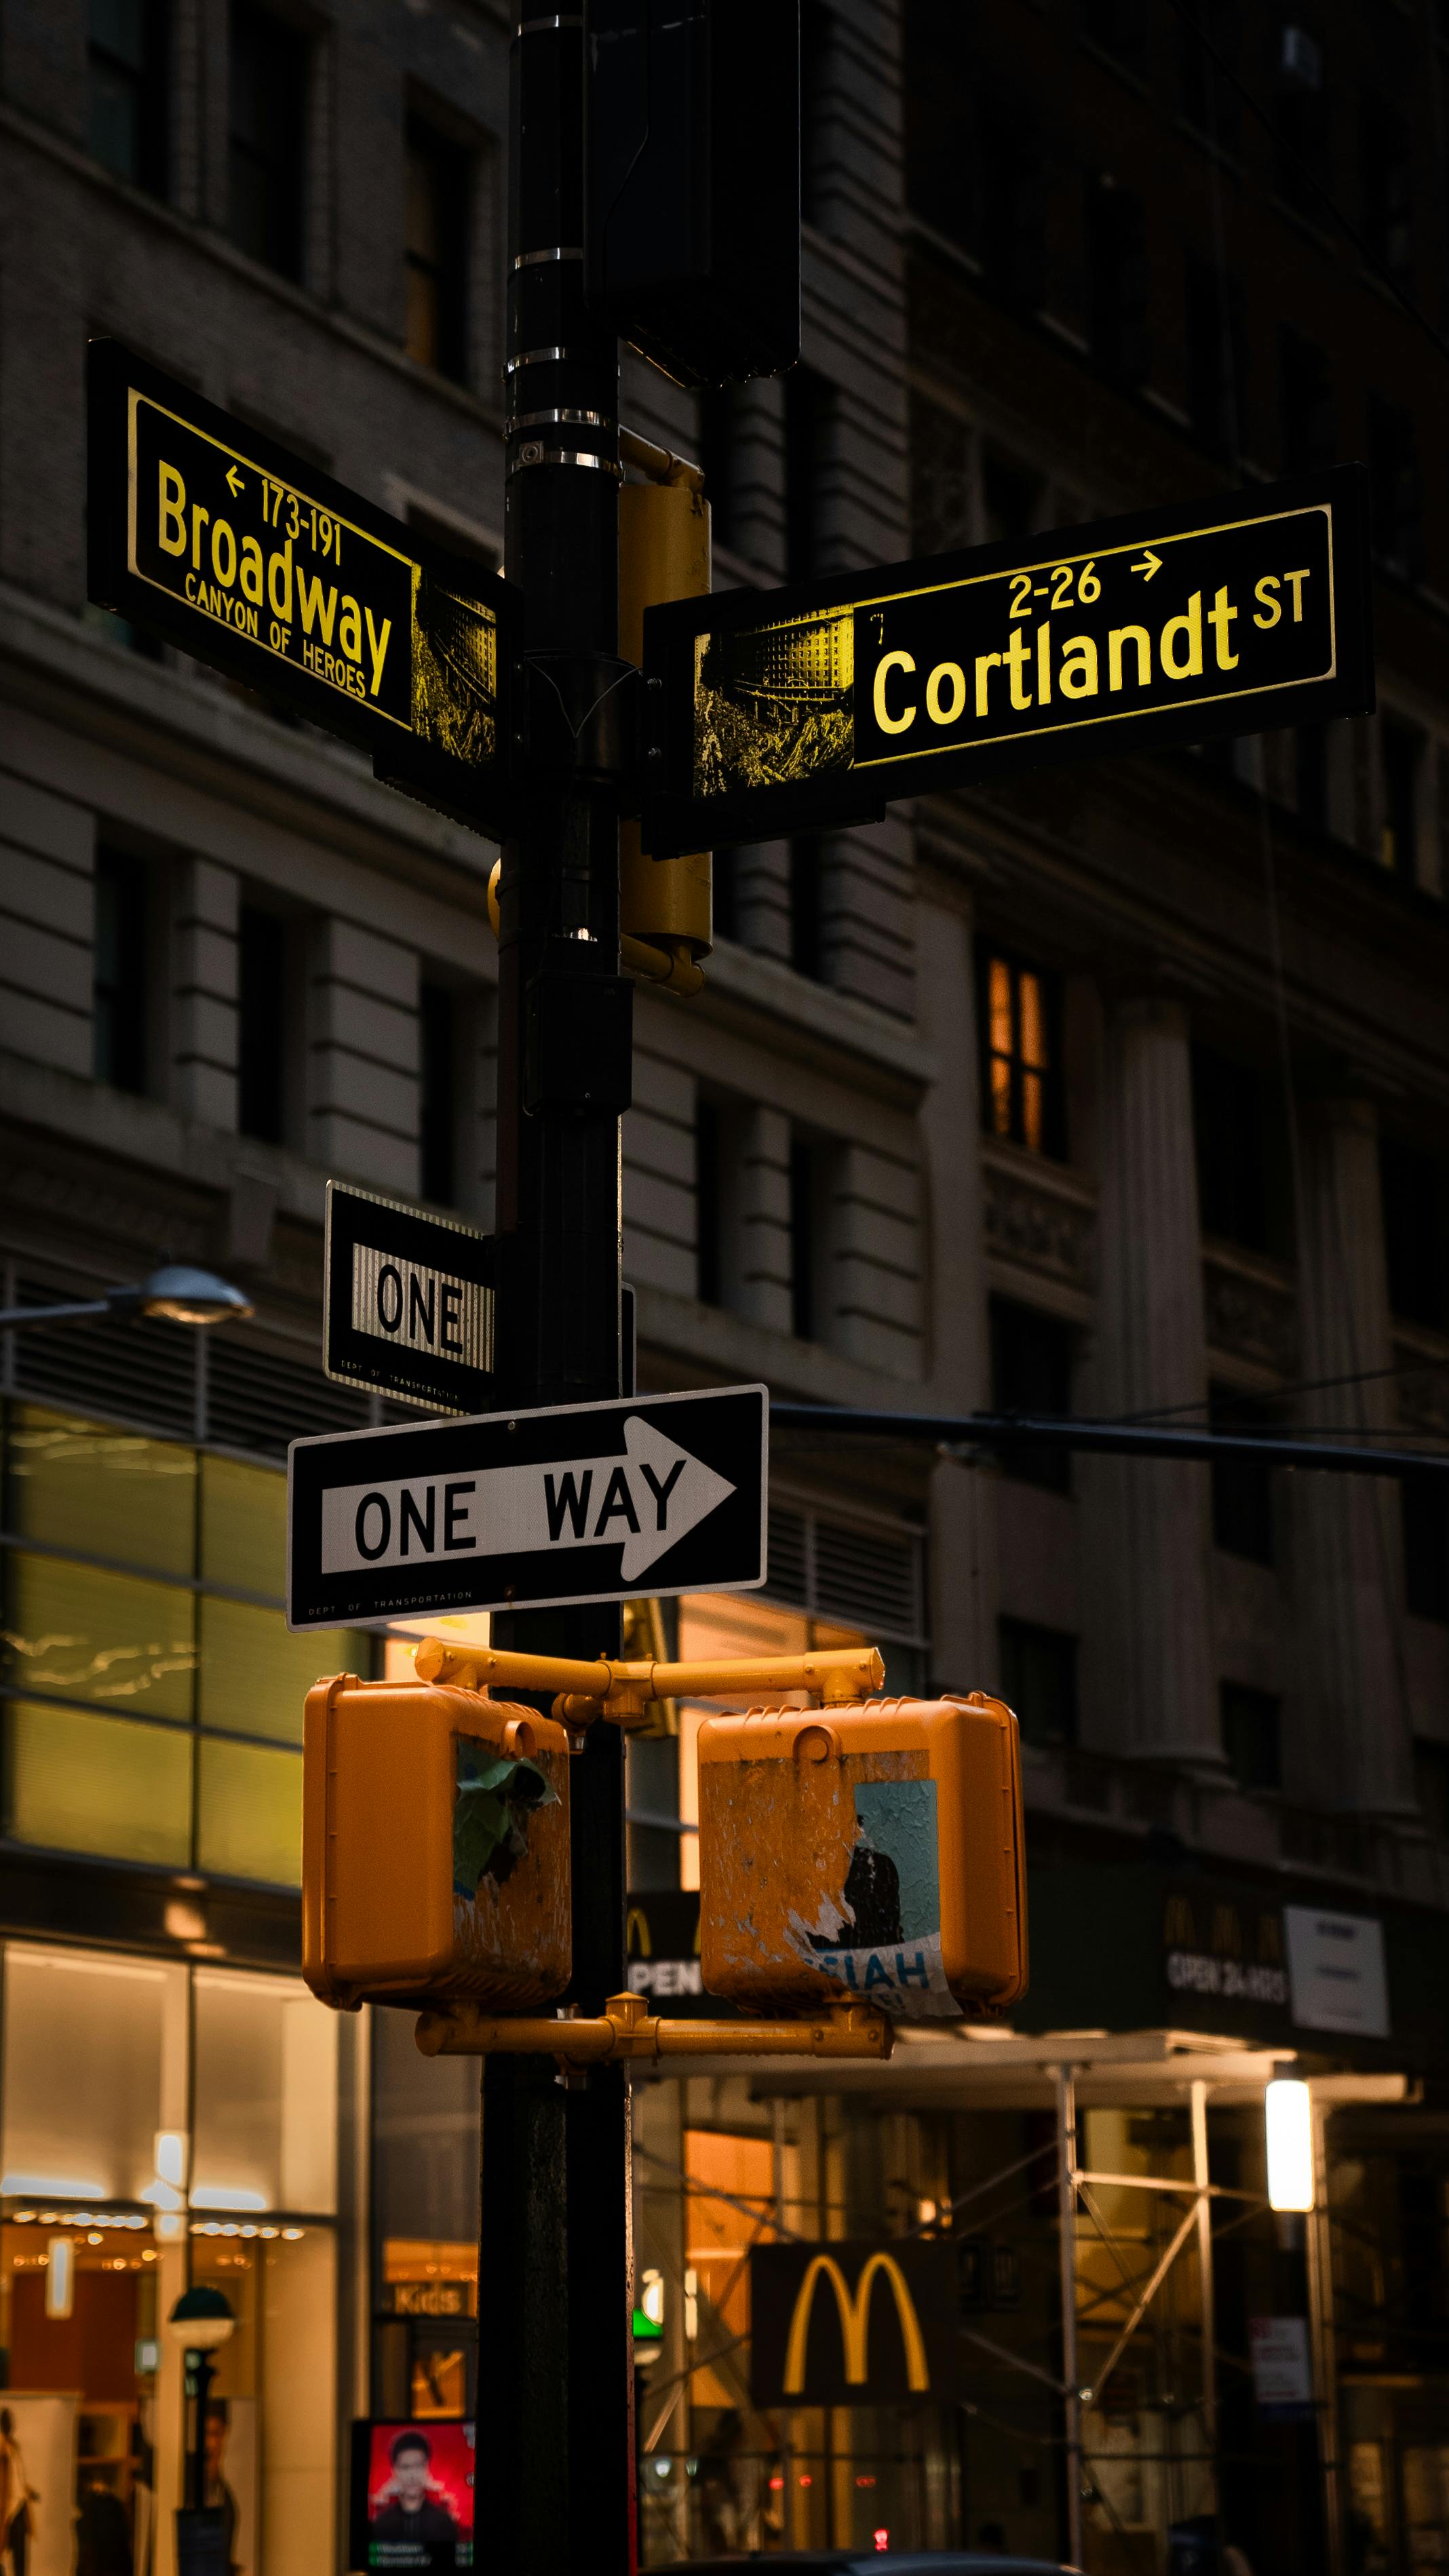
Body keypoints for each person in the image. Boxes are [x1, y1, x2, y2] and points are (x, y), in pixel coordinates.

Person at [369, 2431, 460, 2571]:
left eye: (419, 2466)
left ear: (427, 2468)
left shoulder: (444, 2522)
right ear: (394, 2471)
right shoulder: (381, 2524)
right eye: (405, 2467)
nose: (412, 2476)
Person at [0, 2408, 38, 2576]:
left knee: (21, 2554)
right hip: (7, 2507)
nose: (10, 2426)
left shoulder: (13, 2447)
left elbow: (17, 2478)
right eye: (7, 2422)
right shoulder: (3, 2447)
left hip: (19, 2505)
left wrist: (29, 2492)